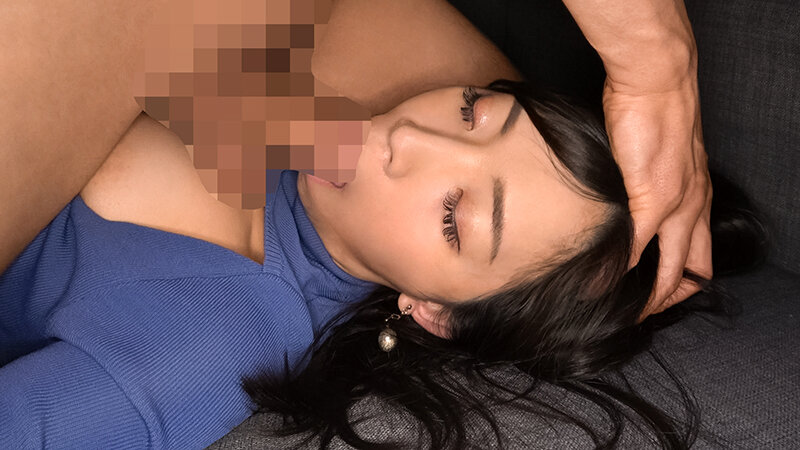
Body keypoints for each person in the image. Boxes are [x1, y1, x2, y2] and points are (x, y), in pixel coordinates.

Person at [0, 0, 742, 449]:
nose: (410, 138)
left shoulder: (206, 345)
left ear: (436, 314)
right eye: (474, 111)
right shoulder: (349, 106)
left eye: (454, 216)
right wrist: (654, 62)